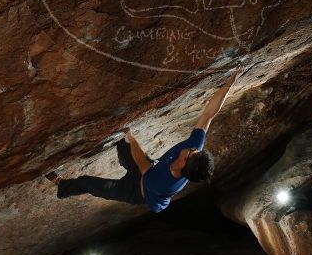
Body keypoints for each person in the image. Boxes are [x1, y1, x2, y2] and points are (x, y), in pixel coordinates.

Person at [45, 64, 244, 212]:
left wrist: (132, 136)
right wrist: (230, 83)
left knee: (90, 183)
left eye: (192, 152)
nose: (194, 147)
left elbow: (141, 162)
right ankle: (121, 146)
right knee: (123, 146)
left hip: (136, 190)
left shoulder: (164, 182)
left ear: (183, 162)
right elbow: (209, 114)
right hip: (150, 168)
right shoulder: (193, 151)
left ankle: (62, 187)